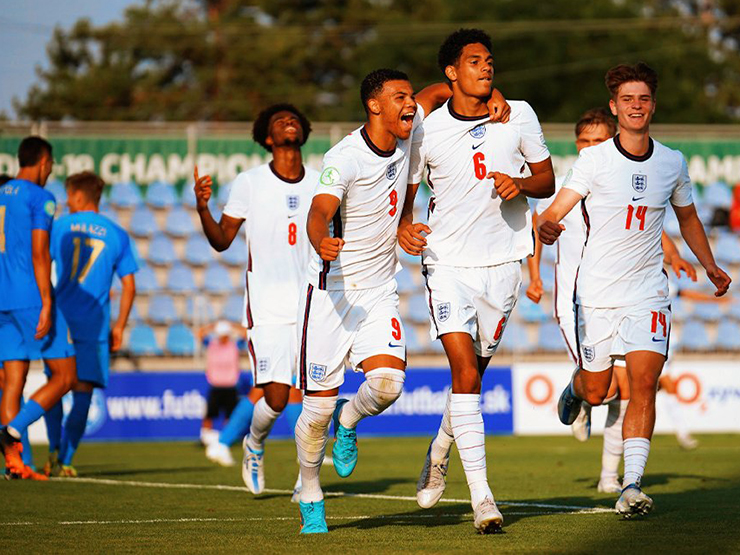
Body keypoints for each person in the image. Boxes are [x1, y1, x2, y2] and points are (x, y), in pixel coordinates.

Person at [295, 67, 509, 534]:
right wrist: (320, 241)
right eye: (398, 97)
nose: (410, 104)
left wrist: (493, 94)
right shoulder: (344, 157)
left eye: (410, 97)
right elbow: (319, 212)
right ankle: (310, 490)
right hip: (331, 296)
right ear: (374, 106)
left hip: (377, 291)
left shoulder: (411, 130)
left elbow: (436, 91)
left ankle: (349, 421)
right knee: (315, 413)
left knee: (389, 385)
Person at [538, 62, 731, 518]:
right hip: (596, 294)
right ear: (615, 107)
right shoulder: (594, 160)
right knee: (599, 390)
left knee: (643, 385)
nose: (636, 106)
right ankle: (576, 389)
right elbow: (559, 207)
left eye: (643, 99)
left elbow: (687, 220)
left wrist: (710, 265)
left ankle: (631, 485)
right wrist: (548, 225)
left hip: (648, 293)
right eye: (627, 99)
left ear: (653, 105)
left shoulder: (672, 162)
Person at [398, 28, 554, 533]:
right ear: (451, 73)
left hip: (505, 262)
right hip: (446, 263)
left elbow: (547, 179)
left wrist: (522, 184)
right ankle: (484, 501)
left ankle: (440, 447)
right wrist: (403, 224)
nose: (486, 68)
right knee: (464, 373)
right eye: (474, 61)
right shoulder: (426, 127)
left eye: (490, 61)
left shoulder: (519, 114)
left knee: (474, 378)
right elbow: (404, 183)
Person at [528, 108, 696, 494]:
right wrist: (535, 277)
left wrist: (675, 256)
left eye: (598, 141)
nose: (591, 147)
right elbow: (540, 228)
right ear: (576, 145)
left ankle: (612, 477)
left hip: (627, 294)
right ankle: (578, 391)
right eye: (584, 141)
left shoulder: (622, 178)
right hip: (578, 298)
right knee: (600, 390)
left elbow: (645, 224)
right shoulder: (564, 186)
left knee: (626, 387)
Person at [194, 104, 316, 496]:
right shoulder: (250, 182)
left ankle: (306, 479)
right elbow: (222, 240)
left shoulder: (320, 181)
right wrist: (202, 208)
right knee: (277, 396)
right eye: (279, 121)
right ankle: (254, 444)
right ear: (267, 138)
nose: (288, 121)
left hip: (313, 302)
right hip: (268, 305)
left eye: (293, 118)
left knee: (315, 396)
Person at [42, 171, 138, 477]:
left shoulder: (58, 227)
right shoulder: (117, 233)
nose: (67, 201)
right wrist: (120, 325)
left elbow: (40, 264)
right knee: (83, 392)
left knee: (55, 385)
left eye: (69, 195)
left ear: (79, 196)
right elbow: (130, 286)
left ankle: (54, 449)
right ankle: (67, 460)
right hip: (94, 325)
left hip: (60, 320)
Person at [0, 136, 77, 479]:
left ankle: (17, 463)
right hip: (30, 296)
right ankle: (12, 432)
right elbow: (39, 252)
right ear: (44, 162)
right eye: (51, 165)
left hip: (2, 299)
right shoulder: (41, 198)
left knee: (13, 381)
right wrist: (47, 300)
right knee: (65, 375)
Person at [197, 320, 243, 450]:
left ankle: (227, 438)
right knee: (209, 414)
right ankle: (204, 438)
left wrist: (232, 325)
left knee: (230, 415)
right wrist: (211, 326)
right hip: (216, 385)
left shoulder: (234, 345)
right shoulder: (212, 344)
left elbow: (246, 334)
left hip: (230, 385)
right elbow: (199, 333)